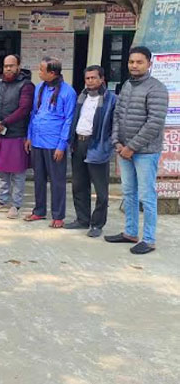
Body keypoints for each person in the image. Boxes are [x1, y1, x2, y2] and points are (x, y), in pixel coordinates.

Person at [105, 46, 169, 254]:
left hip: (145, 152)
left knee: (147, 195)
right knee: (128, 192)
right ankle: (130, 232)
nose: (134, 65)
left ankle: (148, 239)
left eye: (139, 62)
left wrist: (131, 147)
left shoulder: (156, 88)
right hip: (123, 150)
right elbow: (117, 115)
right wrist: (117, 142)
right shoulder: (127, 85)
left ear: (149, 64)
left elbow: (154, 123)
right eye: (131, 61)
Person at [64, 66, 117, 238]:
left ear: (102, 79)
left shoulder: (111, 99)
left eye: (94, 78)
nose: (90, 81)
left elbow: (115, 125)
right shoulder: (82, 97)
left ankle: (97, 224)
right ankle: (82, 219)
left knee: (100, 190)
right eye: (87, 78)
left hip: (97, 145)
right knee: (79, 185)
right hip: (79, 143)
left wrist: (108, 144)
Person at [24, 57, 77, 228]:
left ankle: (58, 215)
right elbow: (34, 113)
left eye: (42, 70)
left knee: (57, 180)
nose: (38, 72)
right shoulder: (39, 88)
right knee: (38, 179)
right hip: (38, 141)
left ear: (52, 73)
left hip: (54, 144)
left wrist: (62, 146)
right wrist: (29, 136)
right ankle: (39, 211)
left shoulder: (68, 92)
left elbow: (69, 120)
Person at [0, 54, 34, 219]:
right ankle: (3, 200)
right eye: (6, 66)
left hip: (16, 134)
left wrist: (4, 123)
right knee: (1, 171)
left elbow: (24, 109)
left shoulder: (26, 85)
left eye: (11, 66)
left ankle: (16, 204)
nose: (8, 69)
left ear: (18, 66)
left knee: (18, 173)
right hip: (0, 134)